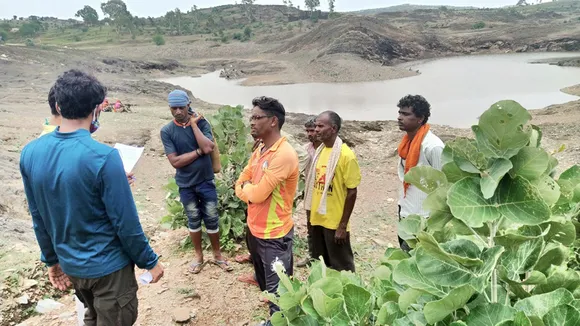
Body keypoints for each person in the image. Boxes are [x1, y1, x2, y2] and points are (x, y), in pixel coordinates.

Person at [19, 69, 164, 326]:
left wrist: (51, 259)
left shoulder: (30, 153)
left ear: (58, 105)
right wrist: (149, 262)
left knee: (92, 317)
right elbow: (125, 223)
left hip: (72, 266)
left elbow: (38, 215)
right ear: (97, 109)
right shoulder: (103, 157)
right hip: (108, 269)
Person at [235, 96, 299, 321]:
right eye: (250, 117)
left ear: (273, 121)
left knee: (279, 293)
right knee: (265, 284)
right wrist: (248, 190)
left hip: (274, 234)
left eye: (256, 117)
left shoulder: (283, 154)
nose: (251, 122)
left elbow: (259, 193)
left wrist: (247, 191)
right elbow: (242, 179)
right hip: (255, 229)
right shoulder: (262, 149)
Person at [160, 89, 233, 274]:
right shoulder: (167, 131)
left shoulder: (202, 123)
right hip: (186, 184)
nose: (178, 112)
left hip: (205, 181)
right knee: (193, 220)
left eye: (181, 107)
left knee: (211, 218)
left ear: (188, 106)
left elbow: (208, 146)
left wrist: (194, 126)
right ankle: (199, 257)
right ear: (169, 108)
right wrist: (199, 152)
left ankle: (217, 256)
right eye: (174, 108)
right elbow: (175, 161)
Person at [303, 111, 361, 272]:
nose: (316, 130)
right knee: (320, 265)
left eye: (321, 126)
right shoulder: (320, 152)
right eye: (315, 126)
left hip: (334, 222)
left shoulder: (346, 156)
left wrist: (342, 226)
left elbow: (352, 192)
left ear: (333, 128)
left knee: (342, 268)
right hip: (317, 219)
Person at [396, 95, 444, 252]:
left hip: (424, 216)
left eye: (406, 114)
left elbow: (443, 185)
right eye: (400, 113)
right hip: (406, 210)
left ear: (420, 118)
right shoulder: (406, 144)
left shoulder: (433, 147)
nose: (400, 117)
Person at [296, 117, 323, 268]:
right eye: (307, 131)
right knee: (311, 225)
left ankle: (327, 257)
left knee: (326, 226)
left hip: (325, 193)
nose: (309, 134)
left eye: (312, 130)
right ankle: (313, 256)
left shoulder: (328, 149)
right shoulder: (305, 150)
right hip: (310, 192)